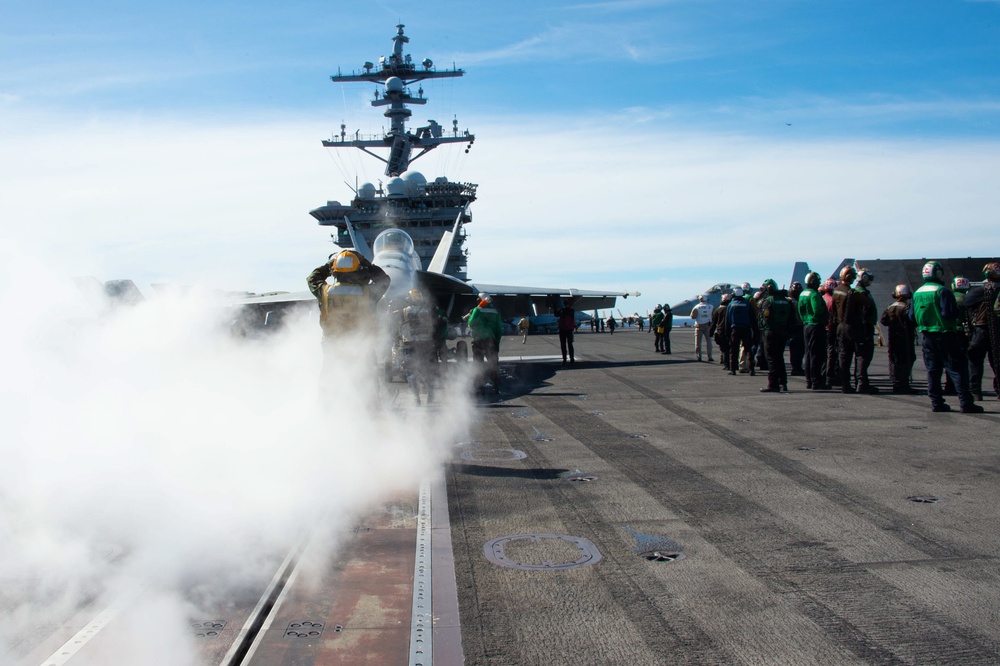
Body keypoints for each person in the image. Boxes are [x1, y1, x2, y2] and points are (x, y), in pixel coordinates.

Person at [912, 261, 983, 413]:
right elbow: (948, 313)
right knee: (957, 369)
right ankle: (965, 402)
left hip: (927, 336)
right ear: (938, 273)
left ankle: (936, 402)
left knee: (933, 371)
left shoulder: (917, 292)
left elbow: (912, 316)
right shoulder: (942, 291)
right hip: (945, 334)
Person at [307, 250, 390, 342]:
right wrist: (366, 264)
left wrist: (330, 264)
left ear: (335, 272)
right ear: (358, 271)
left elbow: (312, 279)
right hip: (363, 345)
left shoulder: (325, 292)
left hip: (332, 344)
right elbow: (384, 280)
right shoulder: (367, 293)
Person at [965, 262, 1000, 401]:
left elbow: (967, 302)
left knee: (975, 360)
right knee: (997, 362)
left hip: (982, 329)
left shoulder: (981, 290)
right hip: (998, 330)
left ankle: (975, 391)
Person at [400, 288, 436, 404]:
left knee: (411, 371)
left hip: (410, 344)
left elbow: (398, 325)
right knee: (427, 369)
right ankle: (430, 393)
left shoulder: (404, 311)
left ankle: (416, 398)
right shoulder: (428, 310)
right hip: (426, 344)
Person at [880, 284, 917, 394]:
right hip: (905, 337)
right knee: (907, 359)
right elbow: (913, 320)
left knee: (895, 360)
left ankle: (896, 383)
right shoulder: (907, 307)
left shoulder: (890, 306)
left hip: (893, 337)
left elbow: (883, 321)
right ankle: (904, 384)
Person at [758, 279, 793, 392]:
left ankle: (773, 384)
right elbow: (791, 318)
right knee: (779, 358)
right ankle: (783, 383)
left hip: (771, 333)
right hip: (783, 332)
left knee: (772, 359)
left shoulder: (768, 301)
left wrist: (772, 330)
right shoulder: (786, 300)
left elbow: (766, 318)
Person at [798, 272, 829, 390]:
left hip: (806, 325)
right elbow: (818, 310)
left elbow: (800, 310)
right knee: (817, 355)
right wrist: (823, 318)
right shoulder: (814, 295)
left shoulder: (802, 294)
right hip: (816, 326)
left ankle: (809, 381)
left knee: (808, 354)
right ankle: (817, 381)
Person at [852, 268, 880, 394]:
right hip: (864, 328)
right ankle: (862, 383)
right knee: (864, 355)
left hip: (862, 327)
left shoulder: (860, 291)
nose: (870, 281)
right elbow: (864, 311)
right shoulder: (861, 293)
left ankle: (861, 381)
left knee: (861, 355)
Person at [725, 287, 756, 376]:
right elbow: (753, 319)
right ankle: (751, 369)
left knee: (733, 350)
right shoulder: (747, 304)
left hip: (735, 329)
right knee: (748, 350)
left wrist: (727, 333)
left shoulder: (731, 305)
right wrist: (755, 331)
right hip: (746, 329)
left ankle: (732, 369)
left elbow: (727, 320)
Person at [821, 278, 840, 387]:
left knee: (823, 353)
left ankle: (824, 375)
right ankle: (830, 376)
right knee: (832, 353)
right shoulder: (833, 300)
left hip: (822, 329)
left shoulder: (822, 298)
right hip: (831, 329)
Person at [786, 281, 806, 376]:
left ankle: (796, 367)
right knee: (797, 349)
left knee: (796, 349)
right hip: (798, 327)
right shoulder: (796, 301)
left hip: (795, 327)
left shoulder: (789, 301)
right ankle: (796, 368)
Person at [690, 295, 714, 362]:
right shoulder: (711, 307)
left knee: (698, 342)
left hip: (699, 326)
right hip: (708, 326)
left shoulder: (696, 307)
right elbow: (714, 315)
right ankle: (710, 356)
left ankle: (699, 356)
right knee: (709, 342)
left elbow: (692, 317)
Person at [711, 293, 731, 368]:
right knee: (732, 347)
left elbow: (713, 323)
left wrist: (711, 332)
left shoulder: (718, 310)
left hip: (721, 330)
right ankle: (733, 364)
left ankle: (726, 364)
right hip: (731, 330)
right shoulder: (731, 308)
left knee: (724, 348)